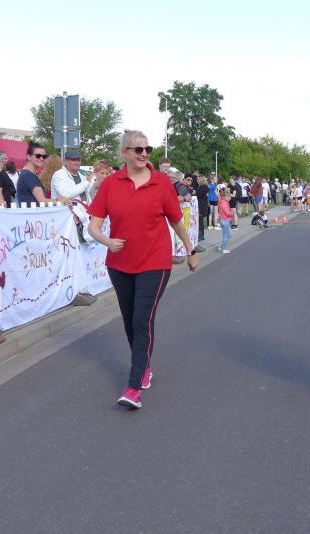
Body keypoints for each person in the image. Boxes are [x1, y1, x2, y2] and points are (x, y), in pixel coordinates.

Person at [87, 130, 198, 409]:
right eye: (138, 149)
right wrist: (107, 241)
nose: (144, 154)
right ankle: (144, 364)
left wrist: (190, 251)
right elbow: (93, 226)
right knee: (129, 321)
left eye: (147, 149)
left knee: (141, 319)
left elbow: (176, 221)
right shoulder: (111, 184)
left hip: (154, 262)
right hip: (120, 264)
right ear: (124, 152)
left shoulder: (161, 183)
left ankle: (134, 387)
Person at [217, 188, 233, 253]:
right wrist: (232, 213)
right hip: (225, 220)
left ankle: (221, 246)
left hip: (225, 220)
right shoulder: (224, 203)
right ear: (224, 197)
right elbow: (227, 213)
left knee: (228, 234)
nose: (230, 198)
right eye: (228, 196)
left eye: (230, 196)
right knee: (226, 235)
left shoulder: (223, 202)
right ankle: (224, 249)